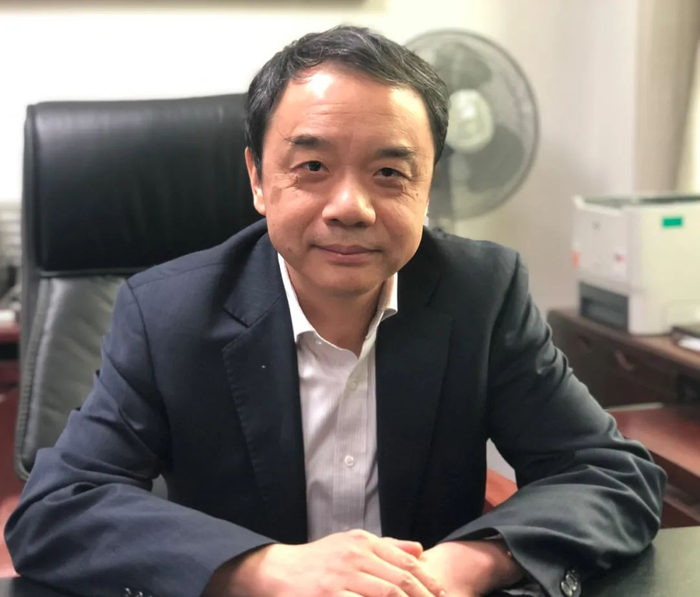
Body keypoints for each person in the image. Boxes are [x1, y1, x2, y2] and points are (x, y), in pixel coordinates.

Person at [6, 25, 665, 597]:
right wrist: (265, 568)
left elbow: (611, 476)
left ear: (428, 184)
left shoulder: (481, 294)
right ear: (258, 178)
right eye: (313, 166)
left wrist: (463, 565)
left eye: (389, 173)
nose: (351, 206)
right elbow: (57, 508)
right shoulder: (168, 313)